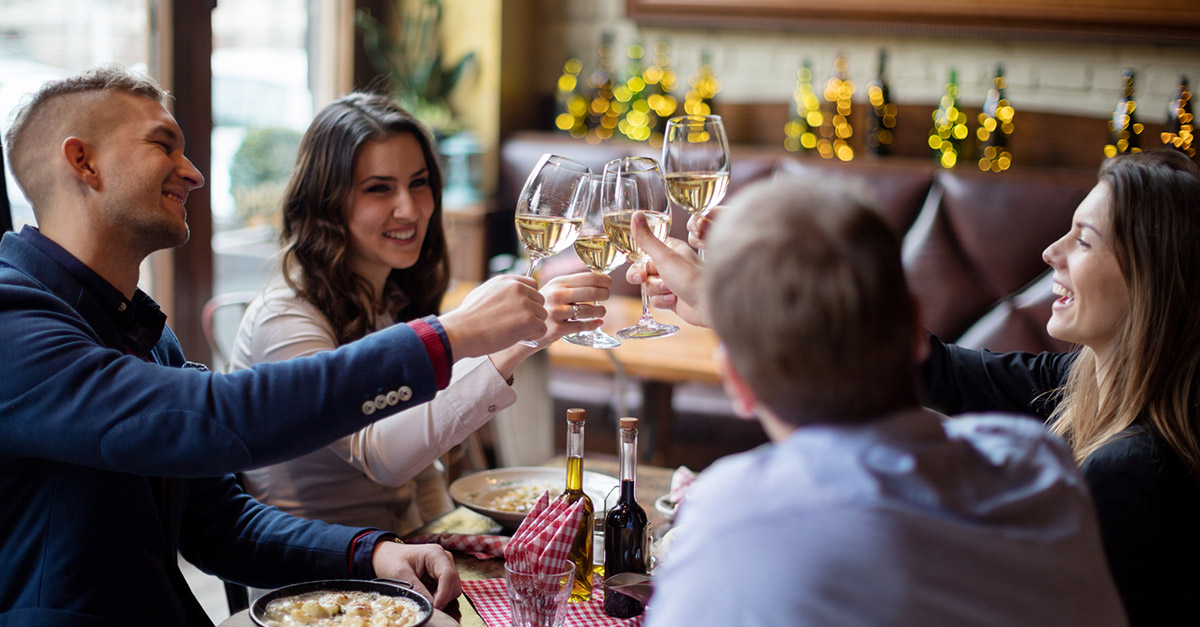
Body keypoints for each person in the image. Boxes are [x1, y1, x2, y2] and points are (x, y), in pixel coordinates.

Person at [0, 66, 547, 625]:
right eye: (164, 145)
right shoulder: (12, 320)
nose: (193, 173)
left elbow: (221, 524)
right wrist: (451, 335)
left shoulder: (142, 329)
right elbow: (225, 414)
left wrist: (372, 553)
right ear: (83, 161)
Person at [637, 149, 1200, 625]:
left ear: (1151, 277)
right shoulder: (1072, 414)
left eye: (1084, 240)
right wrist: (750, 292)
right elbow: (944, 371)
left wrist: (750, 307)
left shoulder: (1129, 471)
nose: (1051, 252)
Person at [228, 92, 609, 534]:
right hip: (314, 580)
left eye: (419, 182)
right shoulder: (286, 318)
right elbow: (384, 459)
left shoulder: (390, 300)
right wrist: (510, 342)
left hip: (403, 556)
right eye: (379, 188)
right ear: (326, 201)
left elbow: (424, 475)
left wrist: (450, 537)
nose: (410, 209)